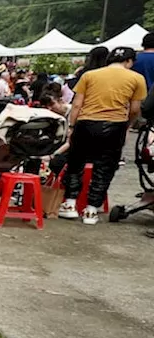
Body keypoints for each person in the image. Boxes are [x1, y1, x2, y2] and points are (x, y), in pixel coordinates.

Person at [58, 47, 148, 225]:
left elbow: (77, 104)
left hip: (86, 123)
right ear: (129, 61)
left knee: (76, 162)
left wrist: (72, 126)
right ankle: (91, 210)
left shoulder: (90, 75)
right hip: (115, 125)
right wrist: (126, 124)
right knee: (105, 167)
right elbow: (136, 109)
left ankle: (69, 204)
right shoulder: (137, 78)